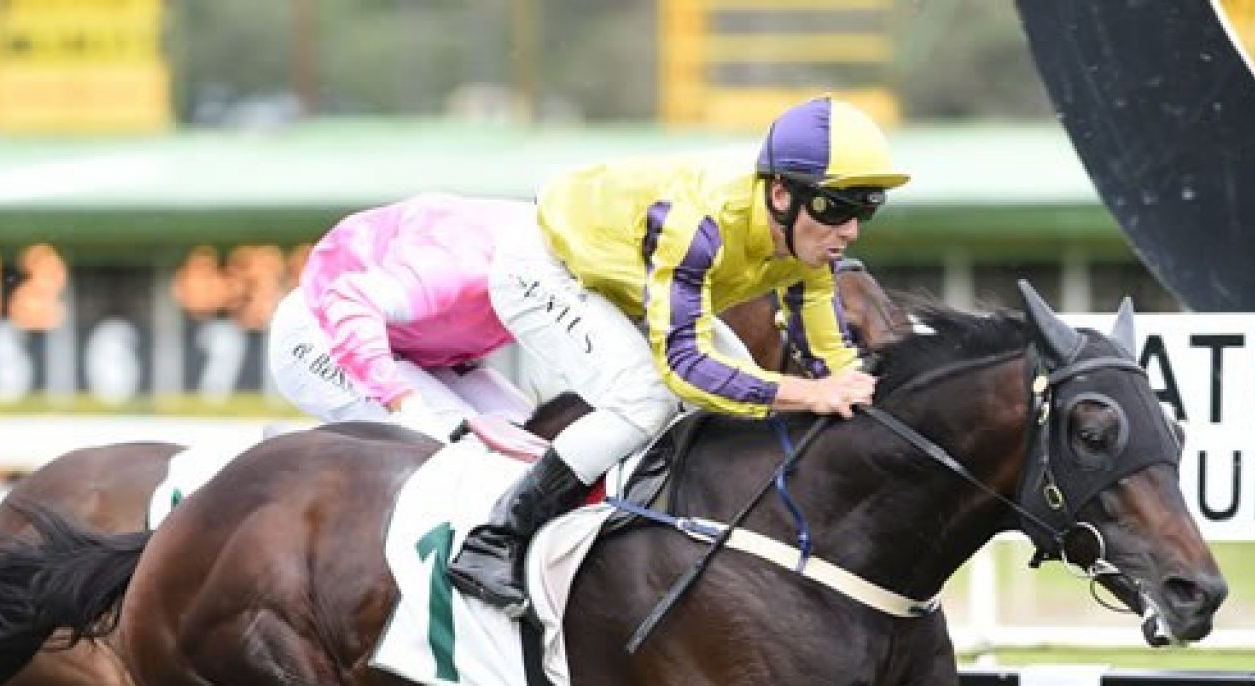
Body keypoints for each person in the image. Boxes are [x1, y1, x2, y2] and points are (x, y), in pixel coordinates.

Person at [447, 95, 908, 614]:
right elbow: (686, 369)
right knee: (646, 399)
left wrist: (873, 402)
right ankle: (497, 536)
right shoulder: (703, 220)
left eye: (865, 208)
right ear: (781, 195)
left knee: (734, 390)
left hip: (632, 280)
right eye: (837, 208)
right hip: (548, 266)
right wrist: (808, 393)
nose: (850, 230)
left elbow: (832, 360)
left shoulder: (808, 241)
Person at [267, 193, 542, 440]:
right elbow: (350, 302)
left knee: (531, 435)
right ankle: (307, 459)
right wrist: (402, 403)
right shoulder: (464, 264)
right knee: (454, 438)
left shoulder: (558, 269)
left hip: (414, 350)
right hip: (326, 326)